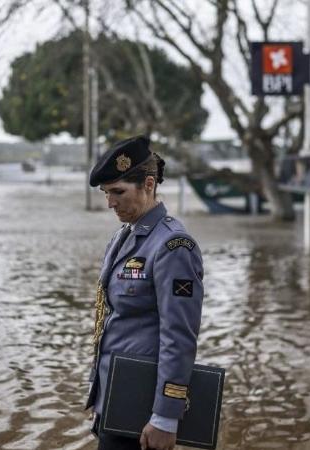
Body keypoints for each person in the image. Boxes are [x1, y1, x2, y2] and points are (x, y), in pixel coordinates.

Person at [85, 135, 204, 450]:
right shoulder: (125, 236)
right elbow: (113, 320)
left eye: (118, 192)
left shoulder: (174, 246)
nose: (110, 202)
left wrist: (166, 416)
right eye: (106, 193)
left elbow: (179, 337)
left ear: (148, 185)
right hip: (116, 398)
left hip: (144, 411)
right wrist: (98, 396)